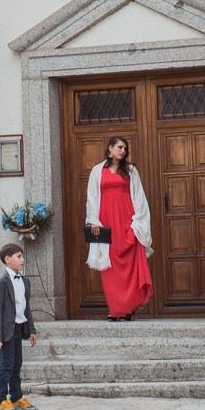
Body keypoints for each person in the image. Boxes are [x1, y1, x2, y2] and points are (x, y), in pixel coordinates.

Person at [84, 136, 153, 320]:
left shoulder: (130, 170)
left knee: (129, 266)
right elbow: (92, 197)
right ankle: (116, 309)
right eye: (120, 147)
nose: (123, 151)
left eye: (124, 148)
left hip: (127, 222)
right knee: (111, 267)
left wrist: (137, 225)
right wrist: (94, 221)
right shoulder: (97, 170)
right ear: (110, 148)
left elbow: (139, 197)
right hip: (106, 223)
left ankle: (128, 308)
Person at [0, 242, 37, 410]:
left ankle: (16, 397)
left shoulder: (24, 281)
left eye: (22, 256)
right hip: (6, 331)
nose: (22, 260)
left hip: (19, 327)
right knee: (6, 365)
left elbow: (26, 307)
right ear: (8, 259)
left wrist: (31, 329)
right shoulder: (2, 281)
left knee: (17, 364)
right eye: (19, 256)